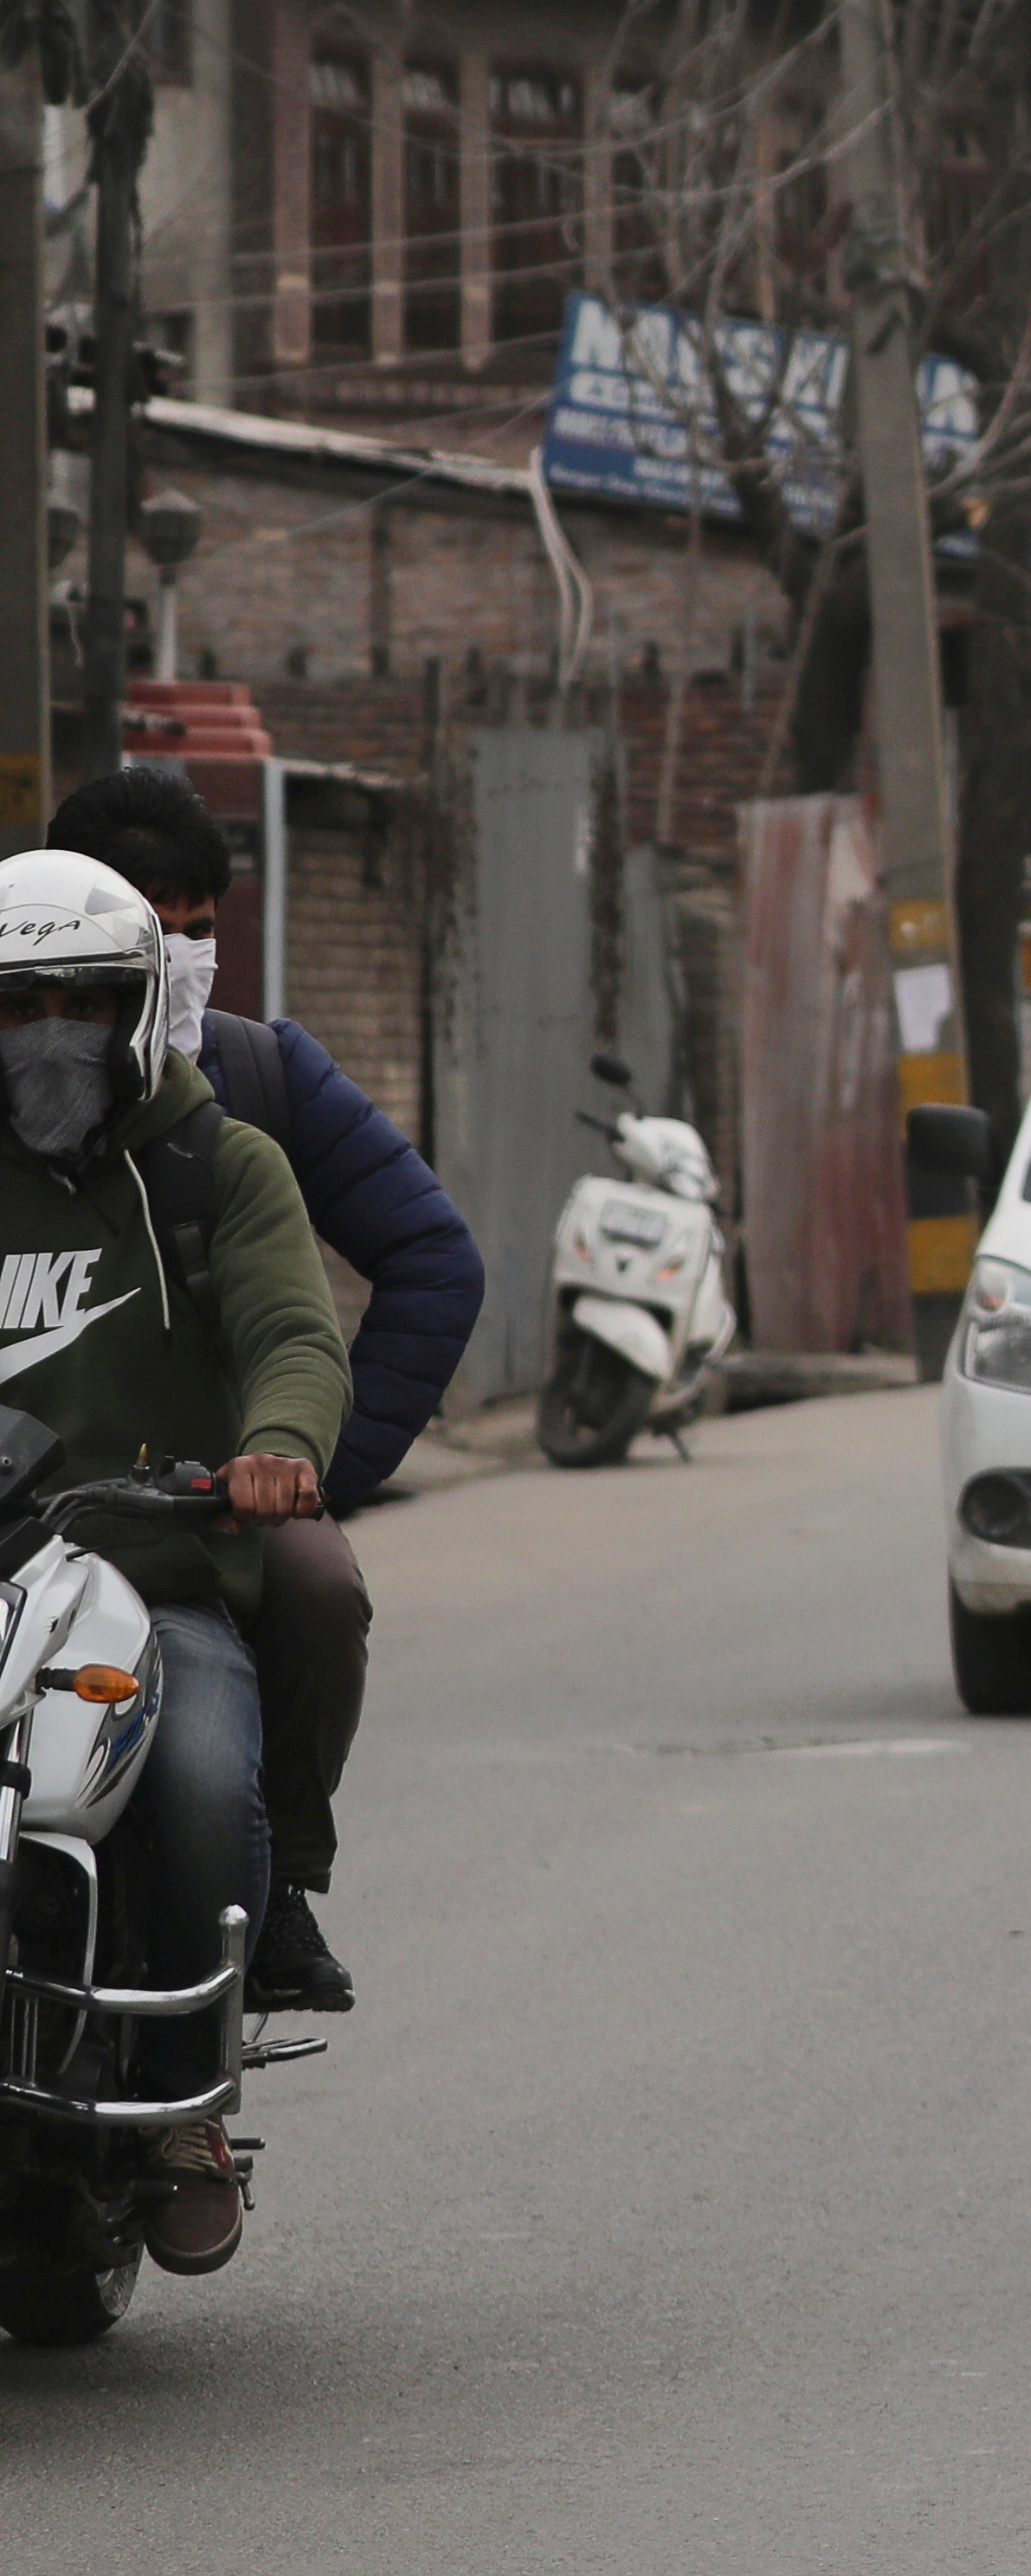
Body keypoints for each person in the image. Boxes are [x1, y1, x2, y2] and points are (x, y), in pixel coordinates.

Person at [44, 761, 483, 2019]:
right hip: (30, 1501)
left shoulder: (250, 1101)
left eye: (198, 924)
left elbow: (427, 1266)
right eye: (148, 920)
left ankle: (276, 1881)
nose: (177, 951)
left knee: (317, 1589)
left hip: (199, 1504)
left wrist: (301, 1466)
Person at [0, 847, 344, 2271]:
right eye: (19, 1006)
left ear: (139, 1005)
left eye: (82, 999)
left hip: (161, 1577)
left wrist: (272, 1447)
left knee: (200, 1778)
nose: (50, 1033)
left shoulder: (222, 1166)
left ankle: (181, 2105)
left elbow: (294, 1336)